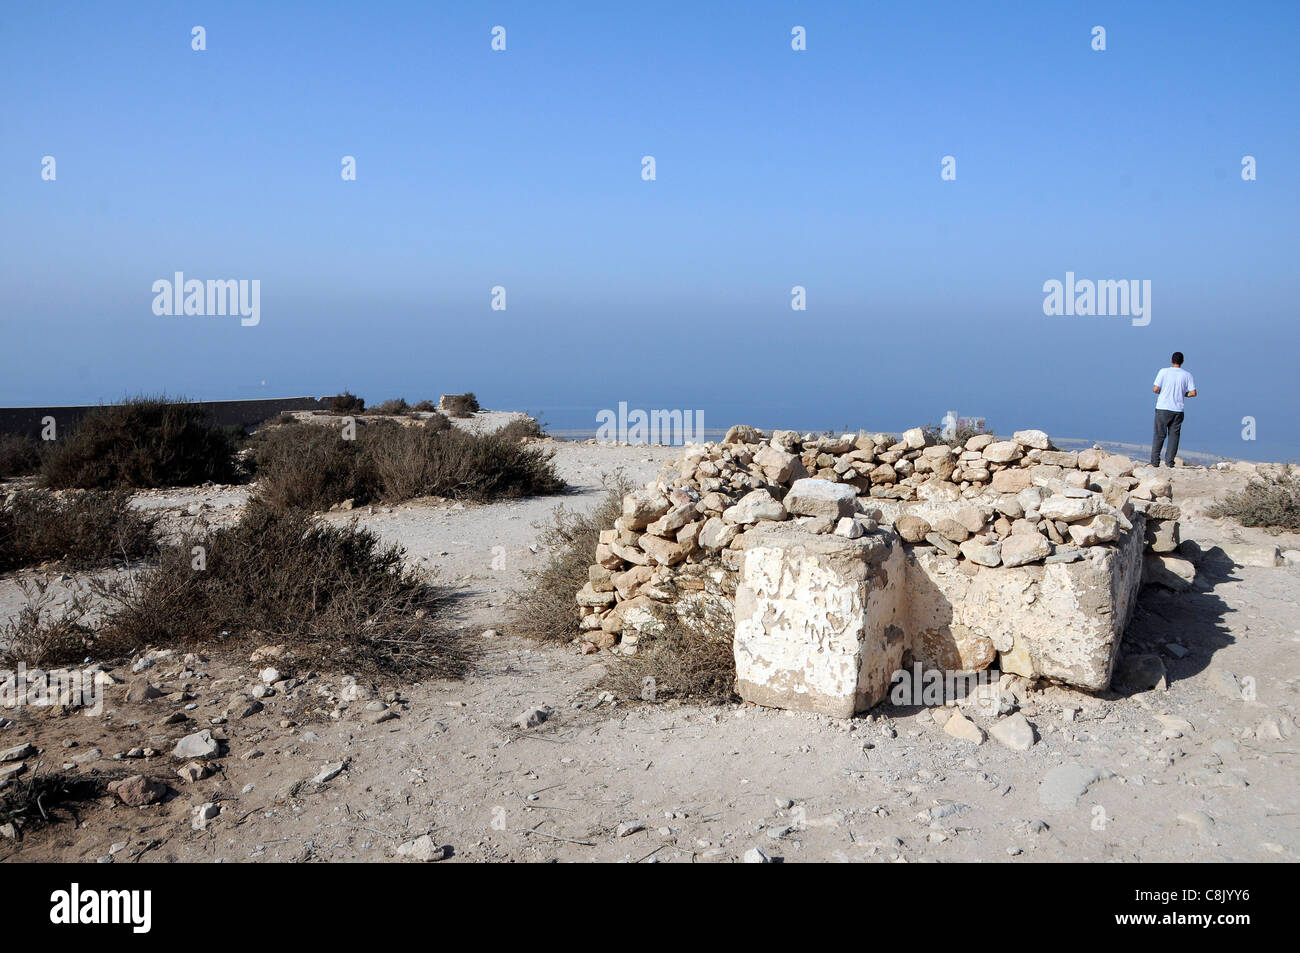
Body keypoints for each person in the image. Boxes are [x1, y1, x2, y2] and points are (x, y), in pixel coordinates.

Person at [1150, 352, 1197, 467]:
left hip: (1163, 407)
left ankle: (1155, 462)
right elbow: (1193, 393)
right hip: (1178, 409)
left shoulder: (1163, 372)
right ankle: (1169, 462)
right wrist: (1183, 394)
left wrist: (1164, 392)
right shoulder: (1187, 375)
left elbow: (1155, 389)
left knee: (1159, 435)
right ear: (1182, 362)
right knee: (1174, 436)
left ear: (1171, 360)